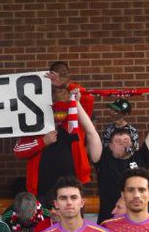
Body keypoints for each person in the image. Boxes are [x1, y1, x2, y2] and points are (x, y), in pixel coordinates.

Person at [13, 62, 100, 206]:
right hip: (42, 189)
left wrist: (65, 85)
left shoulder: (75, 105)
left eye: (63, 77)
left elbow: (87, 98)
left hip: (72, 189)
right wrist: (43, 142)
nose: (57, 86)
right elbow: (18, 151)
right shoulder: (33, 116)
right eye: (54, 79)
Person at [90, 89, 149, 223]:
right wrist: (77, 103)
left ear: (133, 143)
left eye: (126, 140)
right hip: (111, 223)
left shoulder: (141, 157)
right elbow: (91, 133)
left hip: (143, 222)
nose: (123, 143)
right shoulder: (104, 159)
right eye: (118, 141)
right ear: (110, 146)